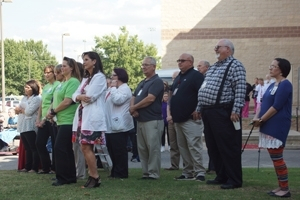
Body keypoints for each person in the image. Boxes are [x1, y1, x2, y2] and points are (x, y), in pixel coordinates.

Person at [197, 39, 246, 189]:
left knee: (228, 146)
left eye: (218, 47)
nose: (215, 49)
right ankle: (221, 175)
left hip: (224, 111)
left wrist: (236, 110)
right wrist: (199, 107)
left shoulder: (235, 65)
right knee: (213, 146)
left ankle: (234, 179)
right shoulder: (212, 68)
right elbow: (203, 88)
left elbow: (240, 88)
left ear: (228, 49)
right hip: (208, 111)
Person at [252, 58, 292, 198]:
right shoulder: (272, 85)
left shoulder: (285, 85)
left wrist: (262, 119)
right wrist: (256, 117)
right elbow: (263, 103)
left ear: (281, 70)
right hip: (267, 123)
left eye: (273, 66)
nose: (270, 68)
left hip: (277, 125)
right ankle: (281, 186)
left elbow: (276, 106)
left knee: (278, 158)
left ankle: (285, 189)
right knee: (275, 158)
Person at [72, 51, 106, 188]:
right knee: (84, 147)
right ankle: (93, 176)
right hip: (82, 116)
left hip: (92, 117)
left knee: (86, 146)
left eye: (86, 59)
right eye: (83, 59)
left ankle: (94, 176)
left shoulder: (99, 78)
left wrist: (80, 97)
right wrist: (80, 97)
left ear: (94, 61)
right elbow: (75, 95)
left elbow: (90, 97)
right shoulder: (86, 79)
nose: (84, 62)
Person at [169, 53, 206, 181]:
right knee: (183, 147)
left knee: (194, 146)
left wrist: (198, 108)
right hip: (178, 119)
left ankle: (200, 172)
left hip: (191, 119)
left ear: (190, 62)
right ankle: (187, 172)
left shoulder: (196, 76)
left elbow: (202, 93)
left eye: (182, 60)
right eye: (178, 60)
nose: (179, 63)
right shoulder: (179, 76)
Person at [47, 57, 81, 186]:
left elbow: (67, 101)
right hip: (60, 121)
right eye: (61, 66)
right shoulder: (62, 83)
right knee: (65, 148)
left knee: (60, 147)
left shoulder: (73, 82)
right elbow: (55, 100)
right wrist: (51, 114)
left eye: (65, 66)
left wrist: (54, 111)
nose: (62, 68)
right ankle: (69, 176)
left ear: (72, 67)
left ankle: (63, 177)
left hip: (68, 120)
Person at [129, 56, 164, 180]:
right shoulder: (142, 82)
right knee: (142, 148)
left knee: (153, 148)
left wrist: (134, 108)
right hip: (141, 120)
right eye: (142, 65)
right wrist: (133, 108)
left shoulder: (157, 81)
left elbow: (150, 98)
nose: (143, 67)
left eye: (146, 65)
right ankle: (146, 173)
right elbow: (133, 96)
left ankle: (153, 173)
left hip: (152, 120)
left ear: (154, 66)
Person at [105, 68, 134, 179]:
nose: (112, 77)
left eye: (114, 75)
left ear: (120, 76)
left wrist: (112, 88)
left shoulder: (124, 89)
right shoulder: (114, 89)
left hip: (119, 125)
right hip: (110, 125)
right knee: (112, 149)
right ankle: (115, 171)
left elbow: (117, 100)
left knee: (119, 150)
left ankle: (121, 172)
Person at [35, 65, 60, 174]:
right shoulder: (45, 87)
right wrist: (38, 118)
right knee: (39, 143)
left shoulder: (57, 85)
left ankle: (55, 168)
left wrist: (44, 119)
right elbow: (42, 104)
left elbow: (52, 103)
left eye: (49, 72)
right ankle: (46, 167)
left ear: (54, 73)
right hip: (43, 119)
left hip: (52, 119)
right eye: (45, 72)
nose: (46, 74)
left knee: (55, 144)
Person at [16, 80, 42, 173]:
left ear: (33, 88)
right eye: (25, 87)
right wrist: (21, 110)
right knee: (27, 148)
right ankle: (27, 166)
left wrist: (22, 110)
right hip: (23, 124)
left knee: (33, 147)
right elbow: (17, 109)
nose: (25, 89)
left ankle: (34, 167)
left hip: (30, 125)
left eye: (28, 87)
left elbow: (29, 111)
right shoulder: (24, 98)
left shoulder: (37, 98)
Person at [196, 60, 215, 174]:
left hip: (213, 113)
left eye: (200, 66)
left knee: (214, 141)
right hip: (203, 113)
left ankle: (214, 167)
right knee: (209, 142)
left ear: (207, 67)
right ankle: (212, 166)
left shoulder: (209, 79)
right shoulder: (202, 80)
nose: (197, 68)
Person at [165, 71, 180, 171]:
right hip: (171, 121)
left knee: (184, 145)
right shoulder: (171, 90)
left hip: (180, 120)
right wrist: (169, 116)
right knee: (173, 144)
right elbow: (168, 105)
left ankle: (190, 167)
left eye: (175, 78)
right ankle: (174, 165)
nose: (173, 80)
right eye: (172, 78)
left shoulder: (183, 89)